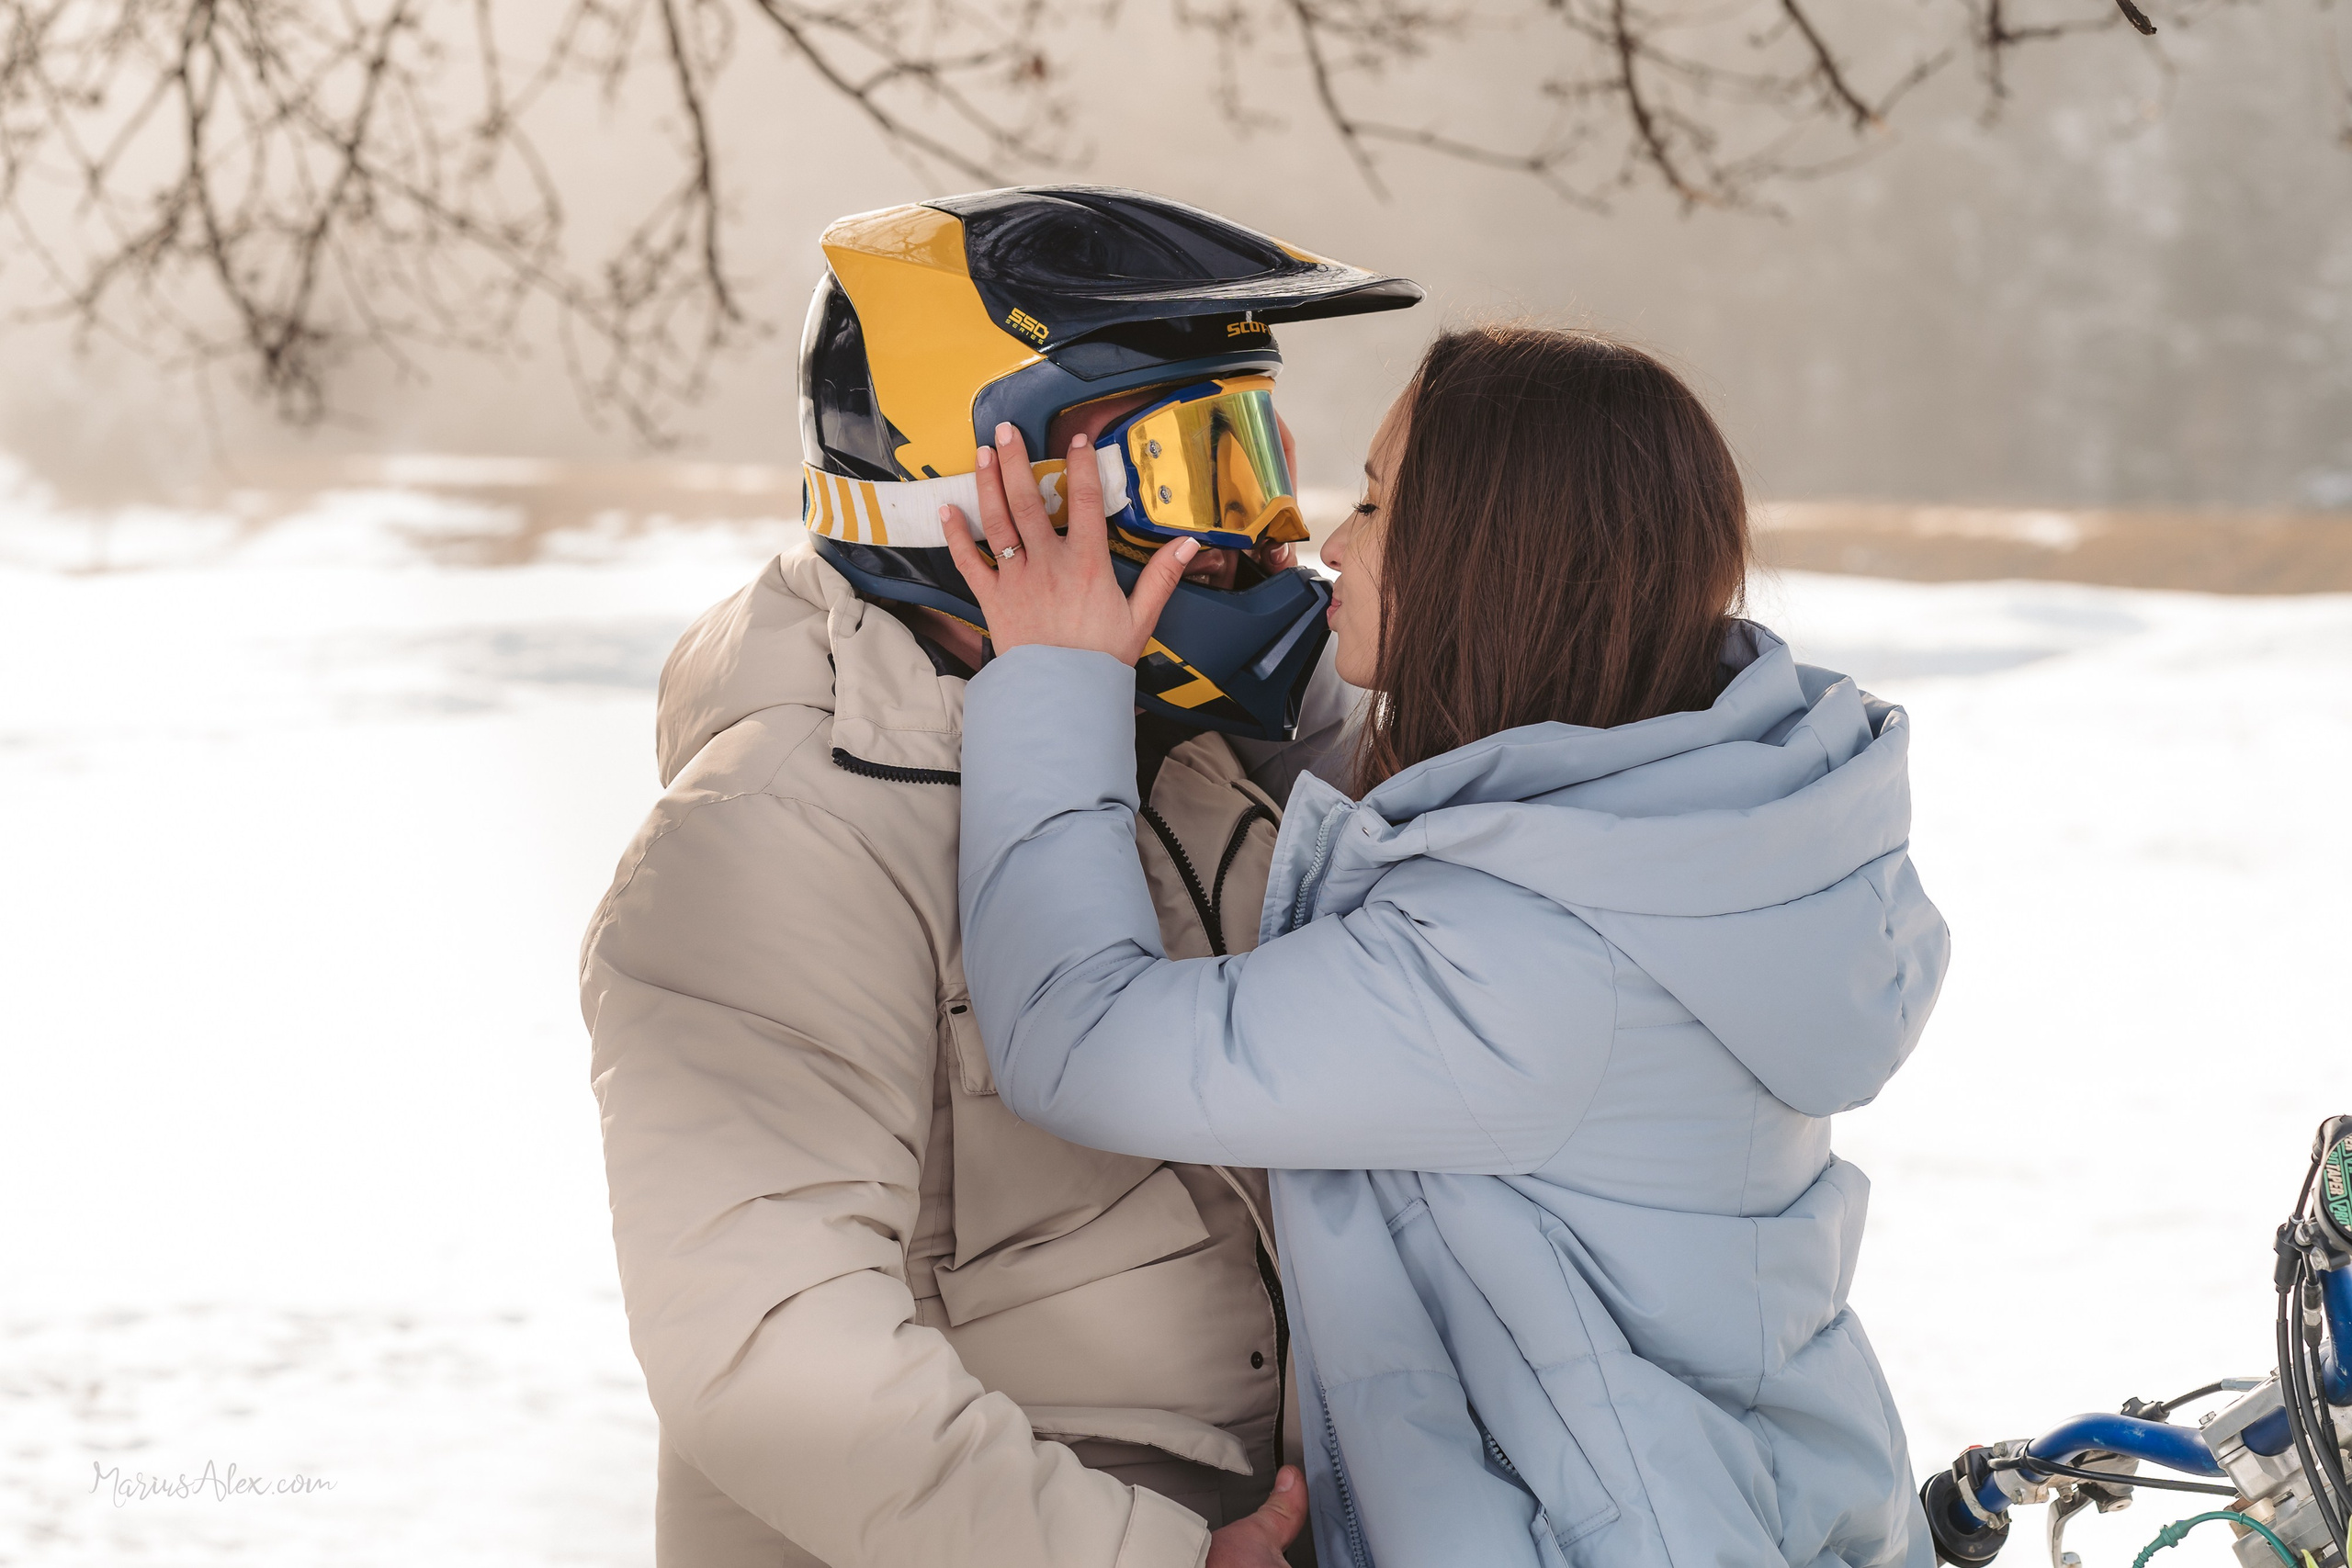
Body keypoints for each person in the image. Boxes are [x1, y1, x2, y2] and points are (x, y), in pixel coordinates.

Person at [946, 325, 1952, 1568]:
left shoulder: (1516, 964)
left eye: (1375, 504)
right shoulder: (1680, 832)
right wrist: (1244, 617)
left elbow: (1080, 1040)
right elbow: (1410, 802)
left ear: (1490, 563)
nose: (1331, 542)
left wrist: (1055, 677)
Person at [579, 186, 1419, 1568]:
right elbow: (769, 1349)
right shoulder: (775, 834)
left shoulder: (1204, 747)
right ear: (991, 502)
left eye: (1257, 460)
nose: (1271, 538)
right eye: (1195, 476)